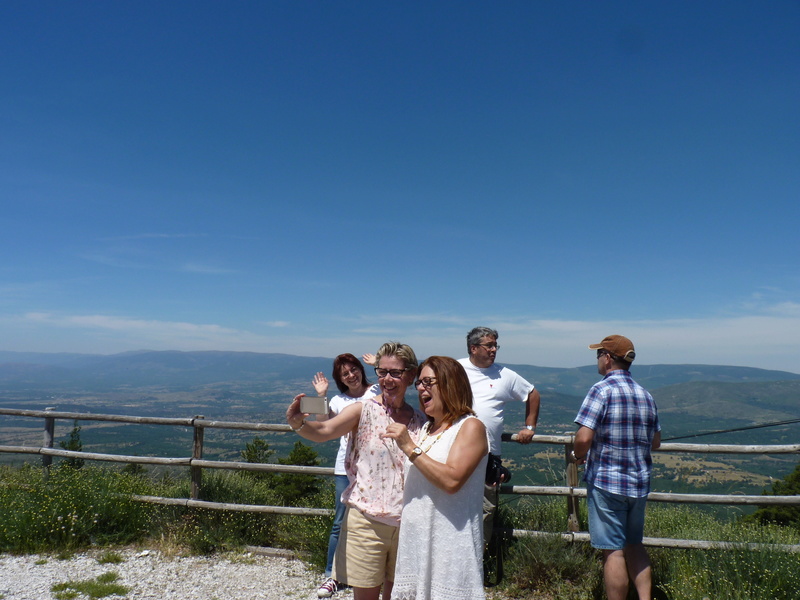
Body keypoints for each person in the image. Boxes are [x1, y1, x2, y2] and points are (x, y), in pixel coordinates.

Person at [286, 342, 426, 600]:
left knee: (399, 596)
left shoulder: (421, 420)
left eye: (395, 373)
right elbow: (325, 431)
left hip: (409, 524)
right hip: (366, 520)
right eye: (382, 372)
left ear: (411, 374)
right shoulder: (362, 410)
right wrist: (298, 424)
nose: (387, 379)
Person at [384, 356, 488, 600]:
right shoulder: (427, 430)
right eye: (419, 383)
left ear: (450, 384)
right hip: (418, 543)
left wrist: (409, 447)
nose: (421, 388)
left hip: (451, 545)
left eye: (428, 381)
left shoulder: (470, 426)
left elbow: (452, 481)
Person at [572, 335, 661, 600]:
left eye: (599, 354)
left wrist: (578, 455)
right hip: (639, 482)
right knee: (634, 544)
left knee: (612, 550)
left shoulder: (601, 389)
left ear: (608, 358)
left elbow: (584, 436)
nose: (597, 359)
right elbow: (655, 442)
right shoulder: (645, 394)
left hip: (607, 482)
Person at [457, 327, 540, 542]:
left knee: (485, 512)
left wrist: (529, 428)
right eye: (489, 345)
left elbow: (532, 393)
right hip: (454, 452)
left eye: (496, 345)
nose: (494, 350)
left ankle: (480, 563)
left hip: (488, 457)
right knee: (453, 509)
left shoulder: (505, 374)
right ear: (473, 348)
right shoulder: (455, 369)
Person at [312, 354, 380, 599]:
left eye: (354, 370)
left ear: (361, 369)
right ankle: (333, 575)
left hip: (375, 468)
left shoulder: (376, 390)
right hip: (345, 467)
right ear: (340, 379)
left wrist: (378, 363)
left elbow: (394, 380)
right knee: (340, 522)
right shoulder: (339, 400)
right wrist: (322, 396)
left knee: (377, 519)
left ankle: (371, 574)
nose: (351, 375)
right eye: (345, 373)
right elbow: (322, 424)